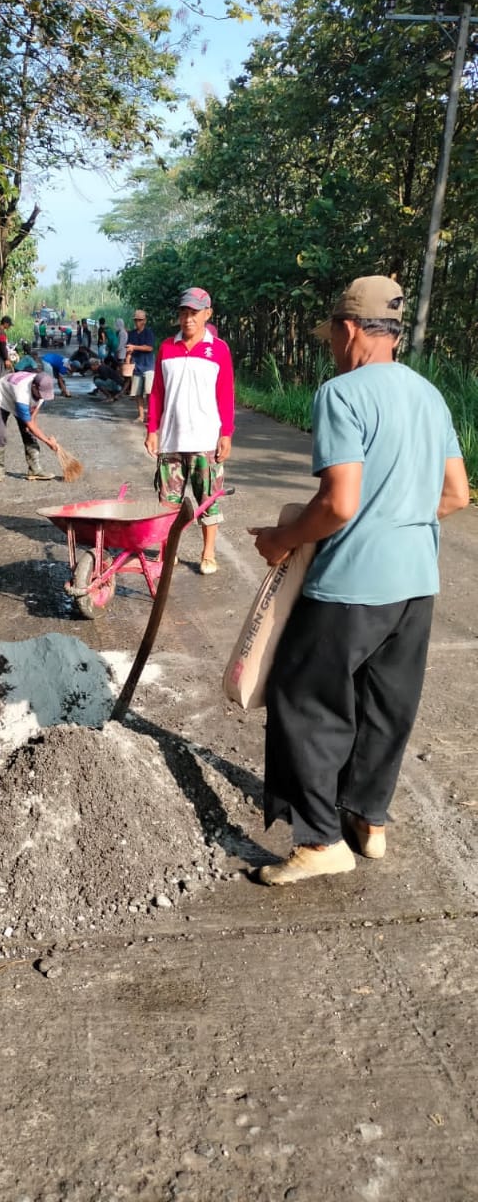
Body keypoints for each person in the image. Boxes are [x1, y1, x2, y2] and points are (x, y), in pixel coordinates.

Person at [248, 275, 470, 887]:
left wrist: (279, 541)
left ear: (350, 330)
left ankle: (320, 841)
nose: (332, 348)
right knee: (384, 704)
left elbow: (338, 503)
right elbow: (454, 494)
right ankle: (368, 820)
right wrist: (399, 520)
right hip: (416, 582)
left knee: (304, 700)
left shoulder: (341, 393)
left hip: (349, 583)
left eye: (332, 337)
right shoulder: (430, 396)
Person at [146, 288, 234, 574]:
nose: (188, 319)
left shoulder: (218, 349)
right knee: (168, 503)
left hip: (206, 440)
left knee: (208, 500)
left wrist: (226, 434)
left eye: (194, 313)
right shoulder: (166, 348)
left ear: (208, 314)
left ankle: (208, 554)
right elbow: (157, 392)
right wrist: (152, 429)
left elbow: (226, 395)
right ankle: (167, 550)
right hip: (171, 441)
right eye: (184, 312)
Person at [0, 370, 59, 482]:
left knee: (29, 433)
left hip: (17, 398)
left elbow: (35, 410)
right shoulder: (22, 393)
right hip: (1, 398)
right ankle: (0, 469)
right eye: (40, 394)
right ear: (34, 387)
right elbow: (29, 422)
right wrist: (48, 442)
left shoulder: (41, 388)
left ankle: (34, 469)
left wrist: (31, 425)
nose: (42, 397)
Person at [125, 308, 156, 422]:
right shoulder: (132, 334)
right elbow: (129, 349)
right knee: (137, 394)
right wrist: (127, 361)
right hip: (137, 366)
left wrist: (135, 347)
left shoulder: (148, 332)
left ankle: (151, 416)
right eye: (136, 320)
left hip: (148, 366)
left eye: (139, 320)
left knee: (149, 393)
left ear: (144, 321)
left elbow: (149, 347)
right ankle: (141, 416)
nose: (137, 322)